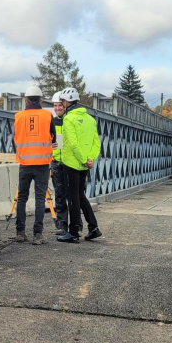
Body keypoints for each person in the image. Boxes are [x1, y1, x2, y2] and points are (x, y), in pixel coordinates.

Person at [56, 88, 102, 243]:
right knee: (80, 196)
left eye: (62, 101)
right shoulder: (90, 119)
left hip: (72, 163)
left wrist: (83, 159)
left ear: (67, 102)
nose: (61, 105)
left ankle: (74, 232)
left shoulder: (69, 119)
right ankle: (93, 227)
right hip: (84, 165)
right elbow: (97, 143)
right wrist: (90, 159)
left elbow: (73, 144)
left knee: (72, 198)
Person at [12, 84, 55, 245]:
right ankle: (38, 234)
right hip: (43, 164)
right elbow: (53, 137)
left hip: (25, 164)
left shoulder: (18, 116)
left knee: (22, 198)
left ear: (26, 100)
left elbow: (14, 139)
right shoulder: (47, 115)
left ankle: (20, 233)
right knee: (39, 199)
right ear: (41, 101)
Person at [50, 91, 69, 237]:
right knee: (60, 196)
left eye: (59, 105)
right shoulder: (53, 122)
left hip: (70, 163)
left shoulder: (70, 121)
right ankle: (62, 226)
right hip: (56, 163)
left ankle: (77, 225)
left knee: (75, 196)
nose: (57, 108)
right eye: (55, 106)